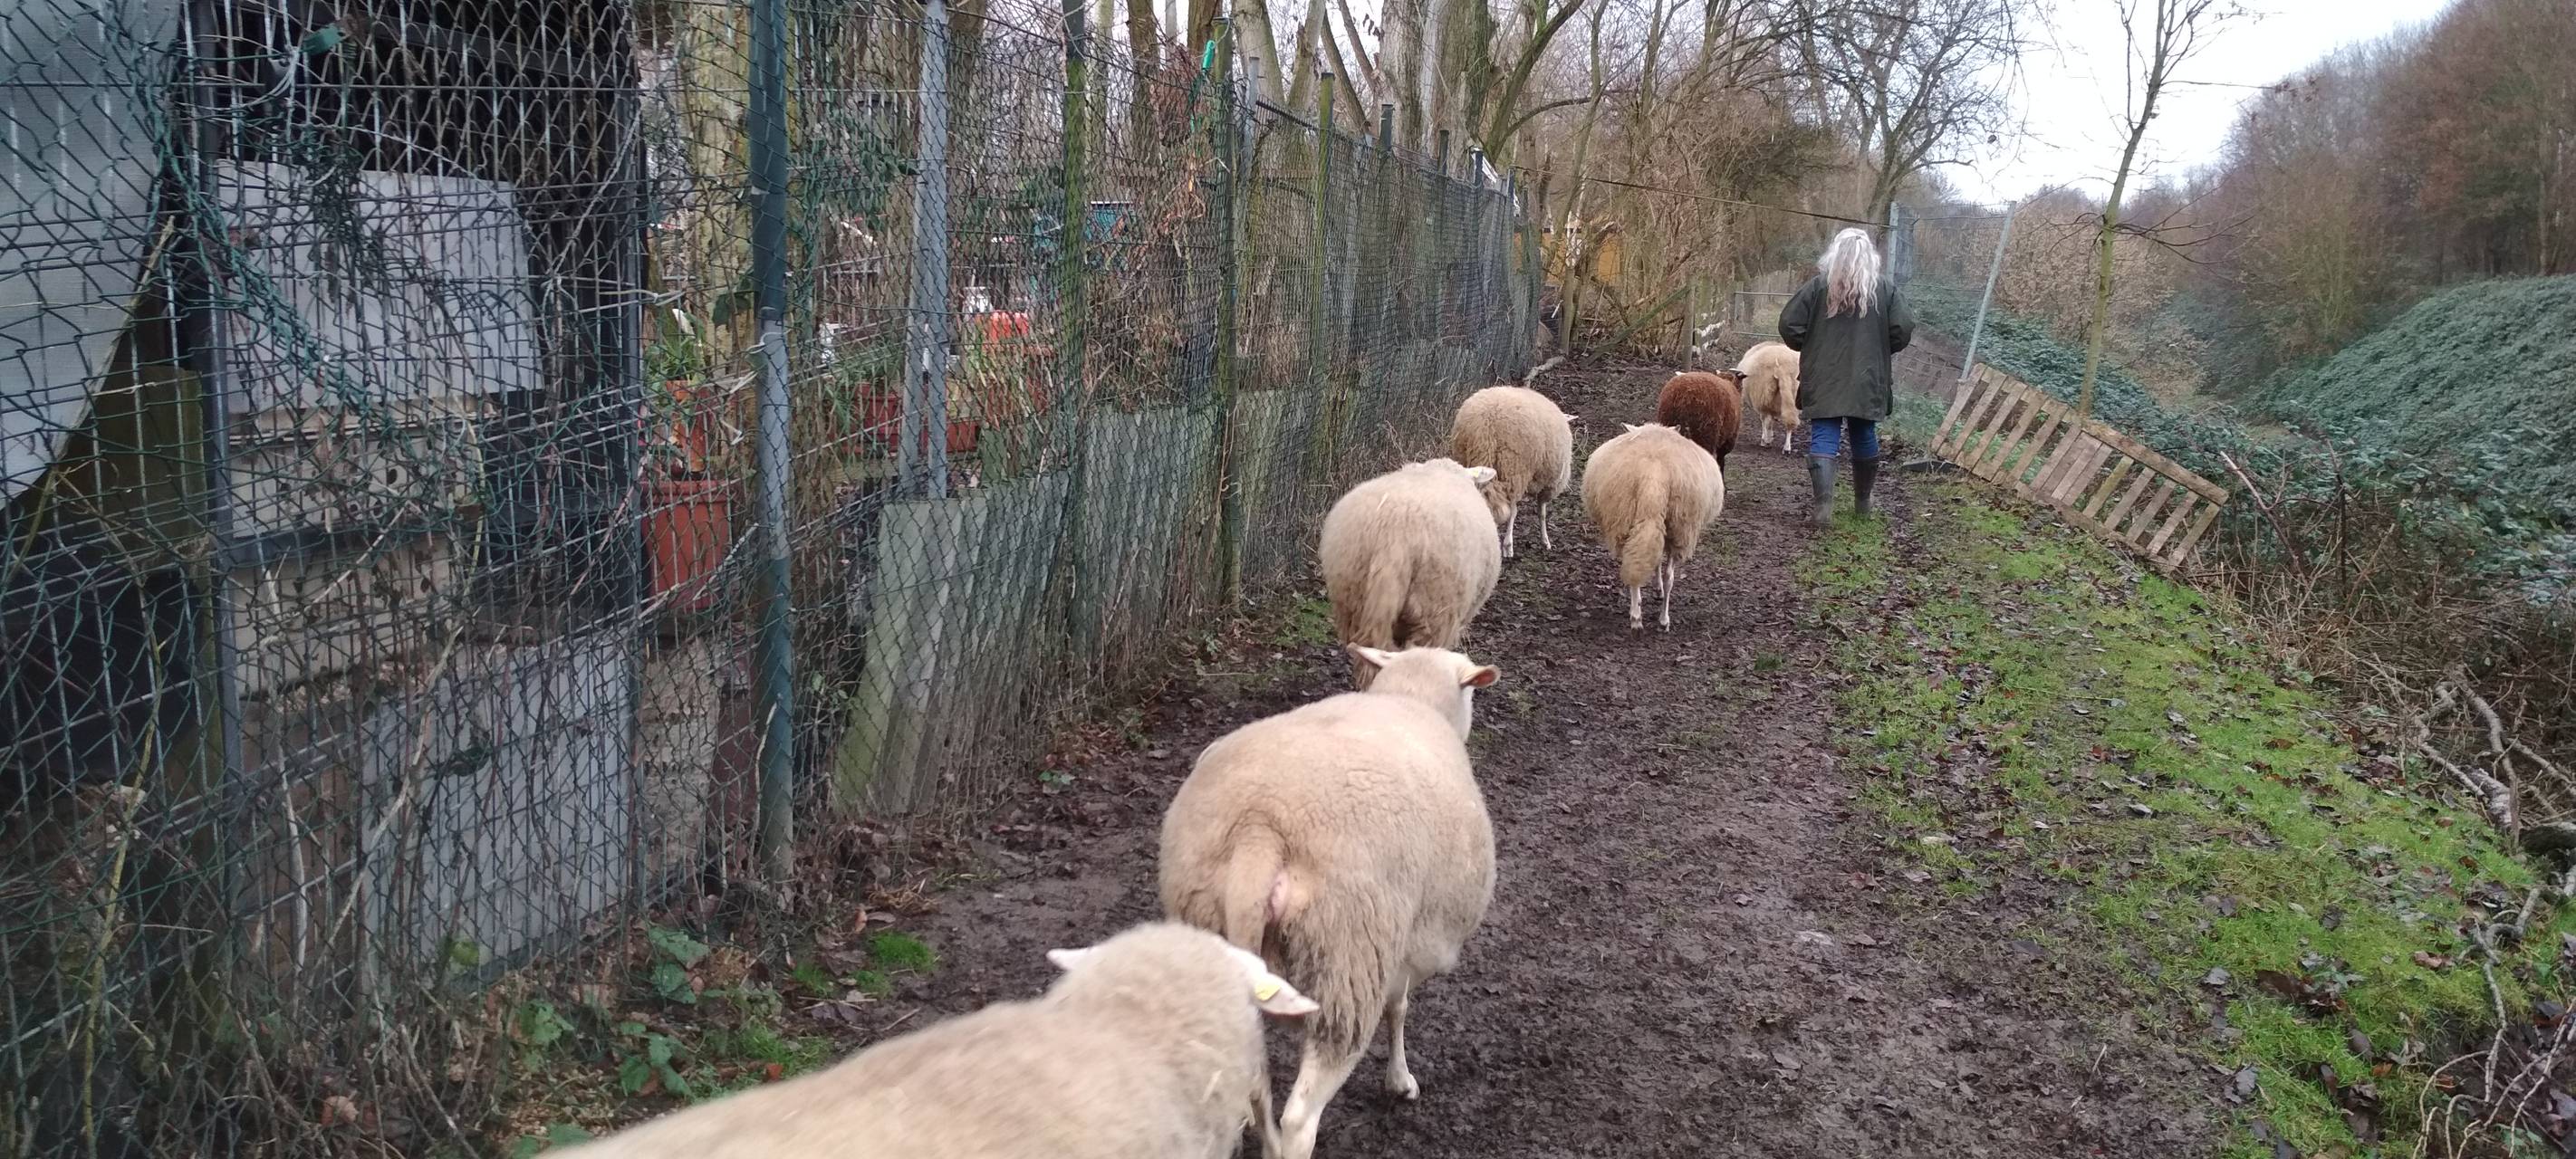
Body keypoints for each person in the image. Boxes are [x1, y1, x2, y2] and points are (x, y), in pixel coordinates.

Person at [1776, 227, 1914, 525]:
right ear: (1870, 257)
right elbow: (1902, 330)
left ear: (1834, 254)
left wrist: (1810, 343)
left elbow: (1789, 324)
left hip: (1824, 375)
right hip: (1868, 375)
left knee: (1824, 433)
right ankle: (1863, 503)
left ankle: (1823, 509)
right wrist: (1880, 348)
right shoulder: (1885, 289)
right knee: (1864, 433)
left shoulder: (1817, 287)